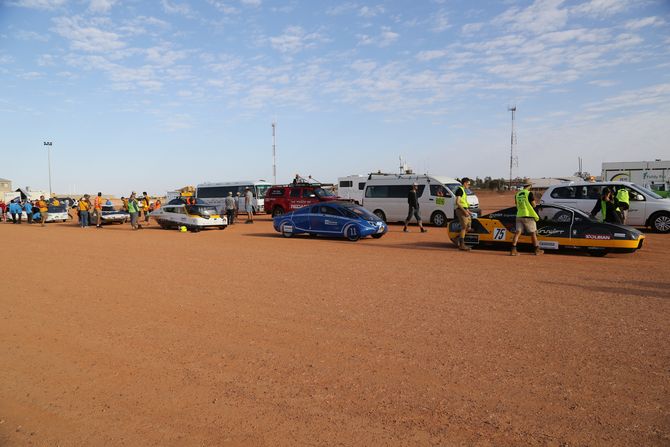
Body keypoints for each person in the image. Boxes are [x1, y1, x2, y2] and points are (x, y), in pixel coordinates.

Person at [510, 183, 543, 256]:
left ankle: (513, 250)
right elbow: (534, 205)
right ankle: (537, 250)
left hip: (519, 215)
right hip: (528, 215)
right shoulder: (529, 193)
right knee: (533, 233)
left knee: (517, 232)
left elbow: (517, 204)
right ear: (529, 186)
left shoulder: (517, 194)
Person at [454, 177, 472, 250]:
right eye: (468, 184)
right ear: (464, 183)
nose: (469, 185)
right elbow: (457, 202)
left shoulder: (463, 190)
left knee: (468, 227)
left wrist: (468, 210)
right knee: (464, 227)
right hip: (460, 210)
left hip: (464, 210)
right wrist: (464, 211)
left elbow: (464, 202)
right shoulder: (460, 190)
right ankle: (462, 245)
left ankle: (457, 238)